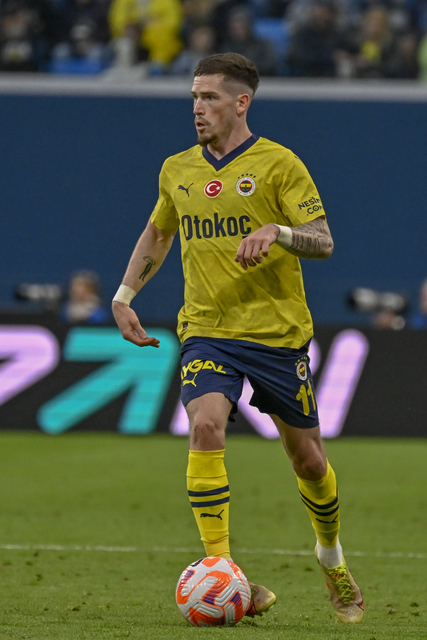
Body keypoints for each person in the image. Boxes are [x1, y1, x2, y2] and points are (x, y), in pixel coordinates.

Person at [112, 52, 364, 624]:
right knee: (204, 426)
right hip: (207, 330)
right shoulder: (177, 169)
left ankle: (331, 557)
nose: (198, 109)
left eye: (209, 98)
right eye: (194, 98)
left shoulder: (278, 163)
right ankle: (223, 570)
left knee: (309, 461)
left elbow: (323, 240)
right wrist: (124, 296)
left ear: (241, 102)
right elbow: (158, 232)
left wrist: (278, 232)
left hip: (276, 334)